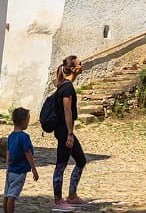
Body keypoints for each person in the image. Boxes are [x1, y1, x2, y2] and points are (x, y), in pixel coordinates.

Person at [51, 55, 89, 211]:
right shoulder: (67, 87)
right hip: (64, 131)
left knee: (80, 159)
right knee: (61, 164)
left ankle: (72, 195)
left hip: (65, 130)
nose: (82, 65)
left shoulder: (65, 86)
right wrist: (70, 134)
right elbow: (67, 110)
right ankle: (58, 201)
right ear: (73, 69)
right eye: (80, 64)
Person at [4, 107, 38, 213]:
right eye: (28, 120)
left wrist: (8, 166)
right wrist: (33, 169)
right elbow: (27, 152)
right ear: (23, 121)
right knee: (12, 196)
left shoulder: (11, 136)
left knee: (6, 195)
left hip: (10, 171)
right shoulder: (24, 137)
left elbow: (8, 153)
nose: (28, 123)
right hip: (19, 172)